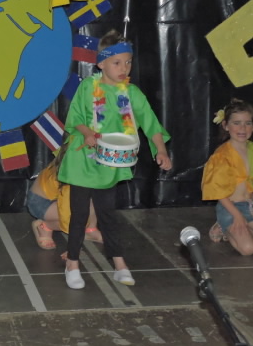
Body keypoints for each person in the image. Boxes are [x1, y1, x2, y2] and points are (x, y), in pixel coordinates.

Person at [58, 30, 172, 289]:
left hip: (109, 163)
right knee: (79, 214)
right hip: (82, 159)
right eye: (117, 62)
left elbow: (150, 123)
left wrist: (161, 150)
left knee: (107, 213)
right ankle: (72, 263)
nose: (124, 68)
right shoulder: (88, 87)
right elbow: (75, 119)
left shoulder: (131, 93)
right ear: (101, 63)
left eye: (128, 62)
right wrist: (87, 133)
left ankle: (119, 264)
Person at [202, 99, 253, 255]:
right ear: (226, 125)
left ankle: (250, 227)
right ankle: (223, 226)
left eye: (248, 123)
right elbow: (217, 191)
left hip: (251, 207)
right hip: (230, 208)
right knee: (248, 249)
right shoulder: (221, 156)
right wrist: (237, 216)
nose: (242, 128)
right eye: (237, 123)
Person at [27, 143, 103, 250]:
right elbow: (69, 212)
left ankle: (90, 230)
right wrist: (73, 249)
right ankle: (45, 226)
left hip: (54, 199)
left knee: (93, 197)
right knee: (78, 217)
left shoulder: (72, 159)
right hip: (41, 203)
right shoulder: (70, 175)